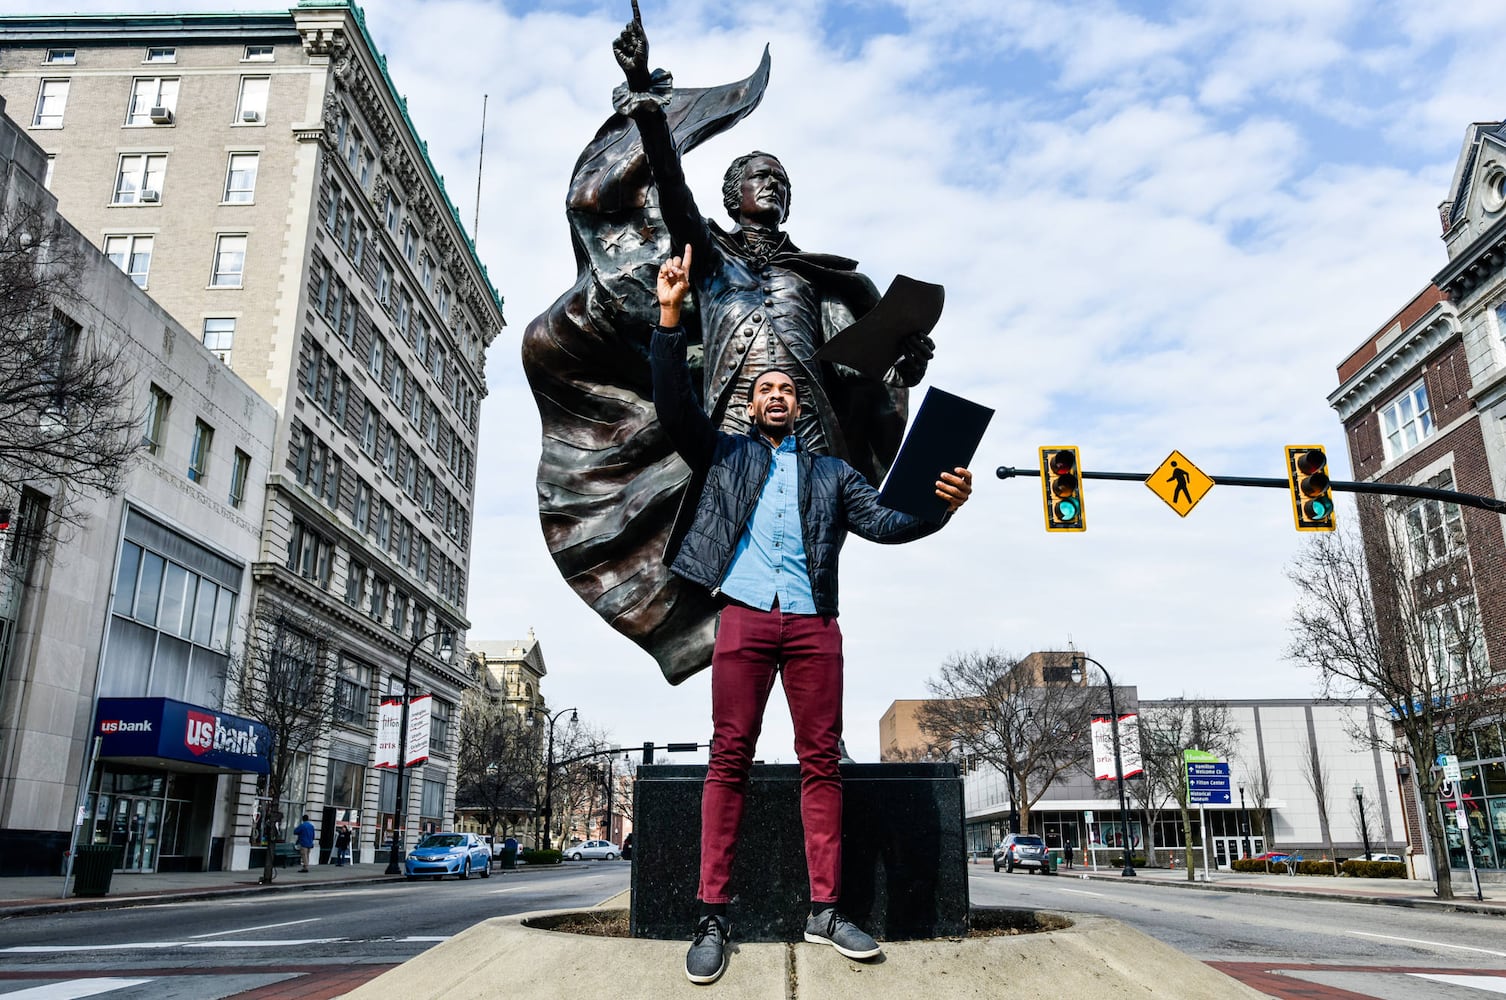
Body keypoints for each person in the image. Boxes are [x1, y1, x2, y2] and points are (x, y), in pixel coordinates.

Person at [651, 245, 973, 985]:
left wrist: (939, 509)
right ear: (750, 404)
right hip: (743, 622)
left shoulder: (832, 473)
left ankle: (825, 910)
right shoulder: (725, 456)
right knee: (727, 759)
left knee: (820, 761)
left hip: (812, 629)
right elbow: (673, 406)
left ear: (798, 406)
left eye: (785, 389)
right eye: (763, 388)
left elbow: (889, 521)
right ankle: (712, 915)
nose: (774, 394)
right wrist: (670, 315)